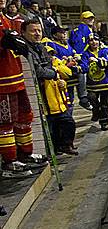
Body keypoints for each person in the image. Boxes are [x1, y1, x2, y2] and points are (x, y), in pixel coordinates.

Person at [0, 0, 46, 177]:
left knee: (24, 117)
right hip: (3, 83)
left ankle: (24, 154)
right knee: (6, 123)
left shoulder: (4, 19)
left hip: (16, 79)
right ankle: (10, 162)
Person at [20, 18, 77, 156]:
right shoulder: (24, 49)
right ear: (23, 32)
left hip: (53, 93)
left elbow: (50, 67)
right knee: (49, 129)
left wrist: (56, 76)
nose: (37, 33)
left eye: (39, 30)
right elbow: (39, 71)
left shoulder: (42, 47)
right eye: (33, 31)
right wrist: (53, 73)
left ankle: (64, 145)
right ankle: (51, 152)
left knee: (68, 122)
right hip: (38, 95)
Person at [45, 26, 91, 112]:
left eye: (65, 32)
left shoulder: (67, 44)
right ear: (55, 35)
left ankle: (83, 97)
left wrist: (76, 57)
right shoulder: (52, 45)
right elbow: (54, 60)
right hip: (62, 75)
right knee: (67, 99)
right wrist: (65, 61)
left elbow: (73, 54)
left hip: (72, 73)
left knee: (71, 99)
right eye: (61, 32)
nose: (65, 34)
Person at [81, 34, 108, 130]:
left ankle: (104, 121)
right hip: (92, 84)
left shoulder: (106, 51)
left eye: (96, 39)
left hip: (106, 83)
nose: (94, 42)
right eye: (91, 40)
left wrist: (97, 61)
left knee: (105, 103)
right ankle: (95, 111)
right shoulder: (85, 54)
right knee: (91, 98)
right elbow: (83, 68)